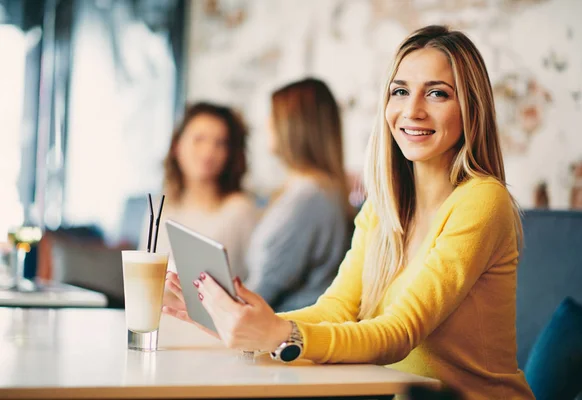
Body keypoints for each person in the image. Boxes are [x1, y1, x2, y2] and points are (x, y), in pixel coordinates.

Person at [163, 26, 535, 399]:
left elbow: (400, 332)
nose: (412, 110)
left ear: (471, 106)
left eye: (437, 93)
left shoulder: (483, 200)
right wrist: (246, 325)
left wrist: (282, 335)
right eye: (400, 91)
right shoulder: (384, 203)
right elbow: (338, 307)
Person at [243, 77, 353, 312]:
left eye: (273, 115)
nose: (266, 123)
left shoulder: (310, 198)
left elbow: (265, 288)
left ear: (294, 125)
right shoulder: (314, 190)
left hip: (287, 332)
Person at [139, 102, 258, 282]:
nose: (208, 152)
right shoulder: (161, 208)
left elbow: (253, 283)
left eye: (220, 143)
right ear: (177, 146)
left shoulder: (240, 210)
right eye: (199, 139)